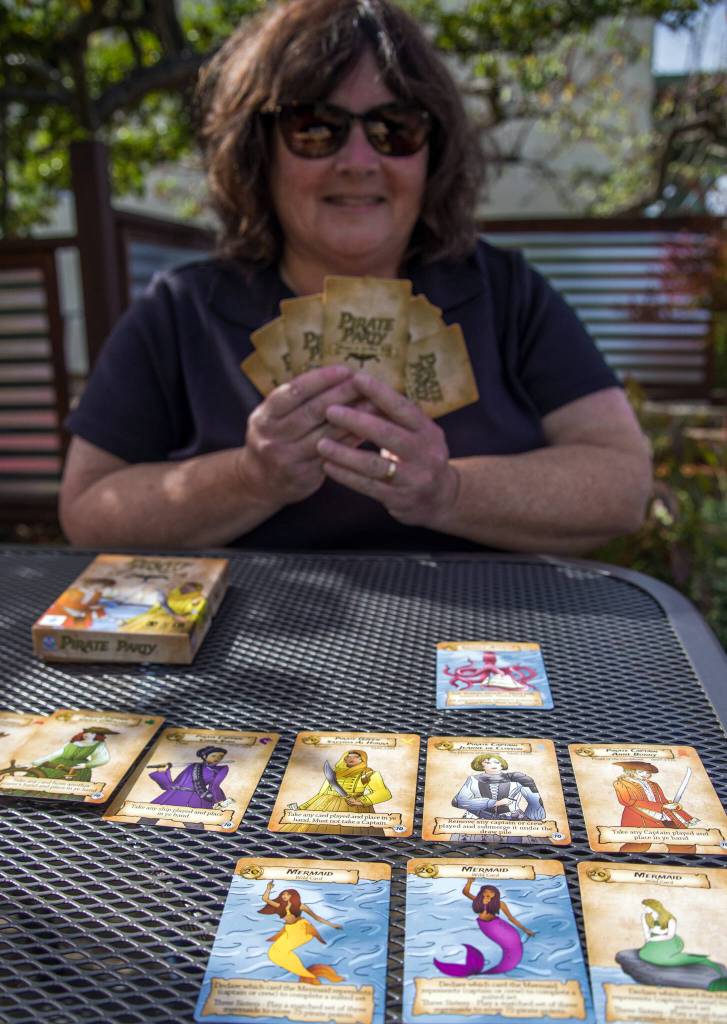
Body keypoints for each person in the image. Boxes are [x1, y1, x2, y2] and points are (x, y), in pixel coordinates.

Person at [59, 0, 651, 553]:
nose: (359, 161)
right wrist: (248, 478)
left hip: (478, 646)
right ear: (257, 151)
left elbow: (622, 483)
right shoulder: (182, 310)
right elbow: (87, 508)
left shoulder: (507, 293)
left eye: (395, 129)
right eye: (315, 127)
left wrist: (449, 492)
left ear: (432, 152)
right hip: (252, 650)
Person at [434, 880, 535, 977]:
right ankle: (496, 968)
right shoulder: (478, 901)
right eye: (485, 892)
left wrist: (525, 929)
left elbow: (510, 918)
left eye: (490, 893)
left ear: (495, 894)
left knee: (512, 945)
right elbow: (465, 892)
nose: (487, 895)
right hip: (487, 926)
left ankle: (504, 966)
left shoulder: (500, 904)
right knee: (508, 947)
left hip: (500, 925)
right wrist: (469, 882)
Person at [281, 749, 392, 835]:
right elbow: (321, 794)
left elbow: (384, 793)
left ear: (362, 759)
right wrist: (302, 808)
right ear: (344, 758)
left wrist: (361, 801)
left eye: (357, 756)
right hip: (323, 805)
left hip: (354, 809)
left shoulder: (369, 774)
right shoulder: (335, 774)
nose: (351, 758)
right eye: (348, 756)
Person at [259, 883, 343, 985]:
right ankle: (309, 976)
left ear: (293, 896)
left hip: (301, 930)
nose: (284, 896)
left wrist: (332, 925)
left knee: (281, 952)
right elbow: (265, 899)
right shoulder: (281, 905)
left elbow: (316, 917)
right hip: (289, 930)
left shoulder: (301, 906)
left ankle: (309, 976)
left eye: (287, 894)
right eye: (283, 894)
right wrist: (268, 888)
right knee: (274, 952)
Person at [450, 753, 545, 843]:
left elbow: (535, 802)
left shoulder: (518, 778)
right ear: (480, 765)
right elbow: (458, 801)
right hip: (477, 818)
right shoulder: (473, 779)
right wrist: (494, 803)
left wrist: (533, 819)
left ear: (501, 764)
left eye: (496, 762)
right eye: (487, 762)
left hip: (513, 819)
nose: (493, 765)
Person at [612, 760, 699, 854]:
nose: (645, 775)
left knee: (683, 841)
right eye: (640, 772)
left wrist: (673, 806)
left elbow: (662, 800)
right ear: (630, 771)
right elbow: (627, 801)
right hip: (638, 817)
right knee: (638, 844)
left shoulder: (654, 785)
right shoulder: (621, 784)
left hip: (662, 815)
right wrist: (661, 806)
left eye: (648, 772)